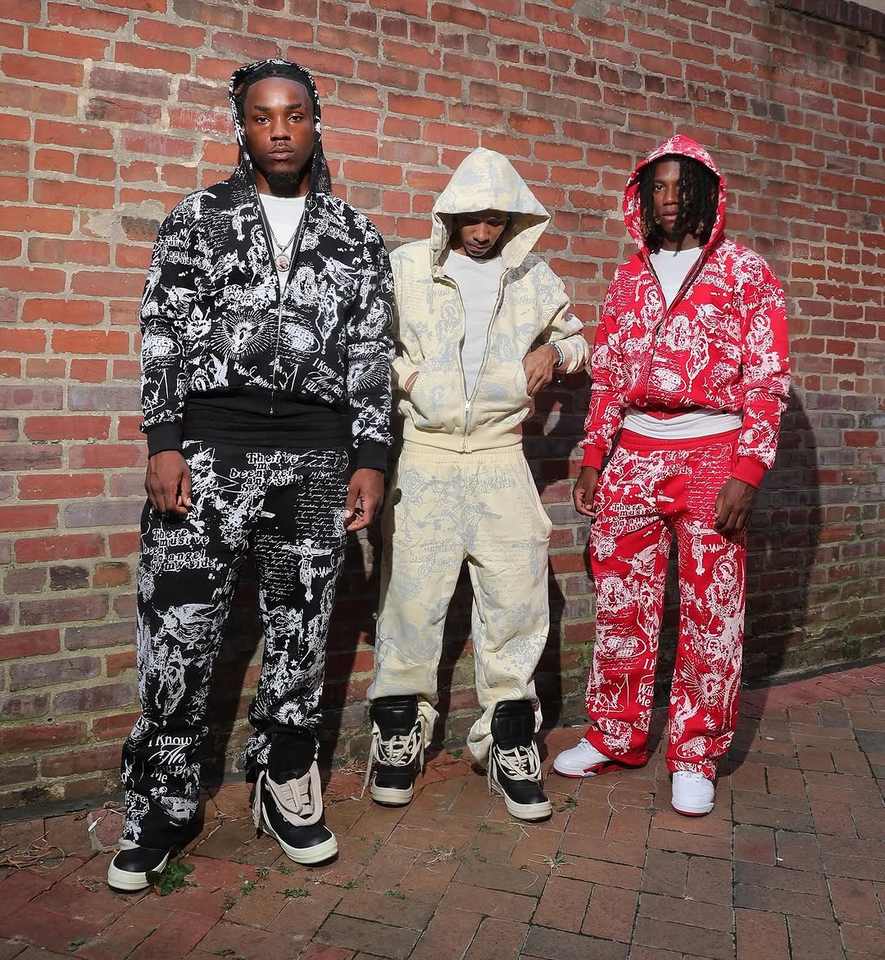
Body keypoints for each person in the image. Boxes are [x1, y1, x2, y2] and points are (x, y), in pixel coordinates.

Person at [108, 59, 393, 892]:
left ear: (315, 124)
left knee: (301, 631)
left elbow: (371, 350)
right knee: (177, 636)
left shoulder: (353, 232)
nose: (279, 129)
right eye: (262, 115)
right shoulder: (196, 218)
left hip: (316, 457)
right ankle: (162, 803)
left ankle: (284, 781)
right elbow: (163, 328)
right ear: (242, 127)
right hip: (209, 449)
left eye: (293, 114)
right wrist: (164, 440)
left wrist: (370, 457)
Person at [553, 135, 790, 817]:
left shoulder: (745, 272)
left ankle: (695, 753)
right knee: (621, 602)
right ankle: (615, 734)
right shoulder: (629, 277)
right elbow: (606, 378)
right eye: (655, 186)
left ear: (707, 193)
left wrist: (748, 468)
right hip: (633, 454)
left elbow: (767, 379)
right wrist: (594, 456)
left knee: (710, 610)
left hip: (713, 454)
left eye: (679, 185)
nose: (666, 198)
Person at [363, 147, 589, 822]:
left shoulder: (533, 277)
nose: (484, 232)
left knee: (517, 596)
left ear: (514, 219)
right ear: (451, 214)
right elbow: (369, 343)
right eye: (472, 218)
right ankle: (398, 735)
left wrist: (554, 351)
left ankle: (508, 740)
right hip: (426, 456)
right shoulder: (408, 267)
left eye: (496, 219)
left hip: (500, 456)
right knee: (410, 598)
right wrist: (411, 380)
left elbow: (580, 343)